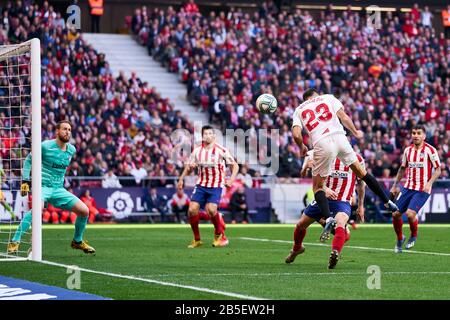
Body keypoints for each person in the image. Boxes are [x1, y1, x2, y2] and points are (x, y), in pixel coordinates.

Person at [291, 89, 398, 241]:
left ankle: (328, 219)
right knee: (362, 173)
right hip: (341, 138)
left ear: (305, 99)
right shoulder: (328, 98)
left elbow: (296, 135)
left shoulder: (300, 109)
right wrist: (355, 132)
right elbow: (344, 117)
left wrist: (302, 147)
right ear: (317, 95)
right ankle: (387, 202)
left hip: (322, 143)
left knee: (318, 187)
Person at [8, 120, 95, 254]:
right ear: (57, 131)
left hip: (58, 189)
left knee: (84, 211)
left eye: (70, 130)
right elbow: (28, 160)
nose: (67, 132)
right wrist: (25, 180)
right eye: (65, 129)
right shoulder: (45, 146)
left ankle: (77, 241)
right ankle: (15, 240)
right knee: (37, 209)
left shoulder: (71, 150)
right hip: (42, 187)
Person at [286, 150, 366, 269]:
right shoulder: (323, 154)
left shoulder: (357, 159)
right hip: (322, 198)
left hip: (342, 201)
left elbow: (361, 183)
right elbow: (307, 166)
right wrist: (305, 168)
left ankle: (335, 253)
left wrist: (360, 206)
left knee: (341, 223)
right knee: (301, 225)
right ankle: (297, 248)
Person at [178, 125, 239, 248]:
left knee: (211, 210)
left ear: (214, 136)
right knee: (192, 210)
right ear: (202, 136)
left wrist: (231, 180)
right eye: (205, 134)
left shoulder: (221, 150)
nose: (208, 136)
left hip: (216, 185)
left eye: (210, 133)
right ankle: (197, 240)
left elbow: (235, 166)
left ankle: (219, 235)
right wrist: (181, 178)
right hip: (201, 185)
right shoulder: (197, 150)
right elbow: (188, 167)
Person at [390, 125, 441, 253]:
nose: (415, 135)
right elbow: (402, 168)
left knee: (410, 213)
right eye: (413, 133)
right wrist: (395, 185)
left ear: (424, 136)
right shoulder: (408, 151)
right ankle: (400, 238)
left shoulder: (430, 150)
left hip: (422, 189)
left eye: (418, 133)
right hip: (408, 187)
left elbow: (438, 170)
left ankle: (413, 236)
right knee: (395, 214)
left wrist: (429, 183)